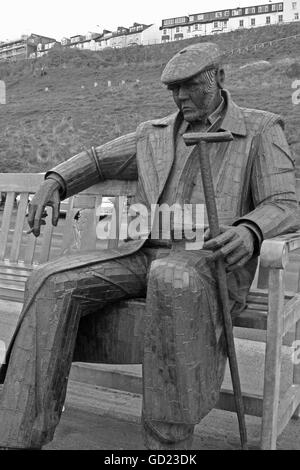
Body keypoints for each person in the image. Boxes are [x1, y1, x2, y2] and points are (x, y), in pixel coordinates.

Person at [0, 42, 299, 450]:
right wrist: (56, 180)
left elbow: (285, 202)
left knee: (172, 276)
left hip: (206, 261)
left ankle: (168, 446)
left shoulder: (260, 129)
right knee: (50, 281)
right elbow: (97, 159)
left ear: (219, 79)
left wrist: (250, 229)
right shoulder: (154, 135)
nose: (180, 97)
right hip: (140, 253)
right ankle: (18, 437)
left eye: (191, 86)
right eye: (174, 89)